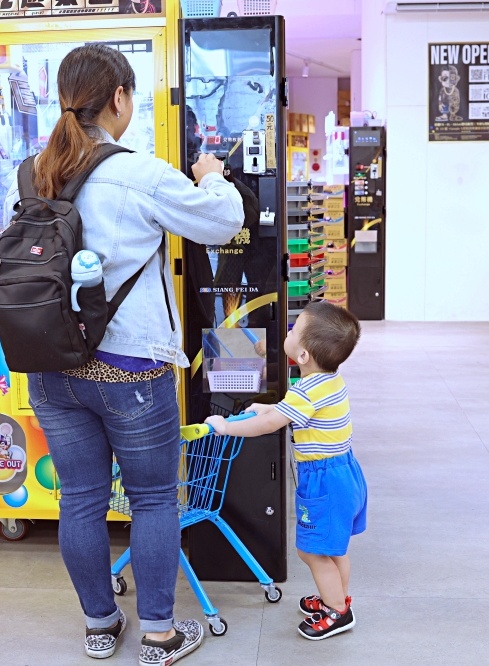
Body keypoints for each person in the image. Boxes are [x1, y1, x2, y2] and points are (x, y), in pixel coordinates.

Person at [24, 45, 244, 664]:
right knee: (151, 499)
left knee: (81, 500)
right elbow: (223, 223)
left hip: (53, 366)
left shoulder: (36, 170)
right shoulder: (138, 173)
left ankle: (99, 625)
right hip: (131, 369)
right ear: (120, 98)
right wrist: (211, 177)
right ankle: (158, 635)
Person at [206, 300, 366, 641]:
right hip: (344, 473)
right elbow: (292, 411)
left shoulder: (304, 390)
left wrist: (225, 426)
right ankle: (335, 597)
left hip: (323, 480)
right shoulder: (329, 381)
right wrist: (271, 407)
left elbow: (268, 425)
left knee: (309, 549)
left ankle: (338, 611)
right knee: (334, 547)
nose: (289, 331)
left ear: (303, 355)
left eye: (295, 329)